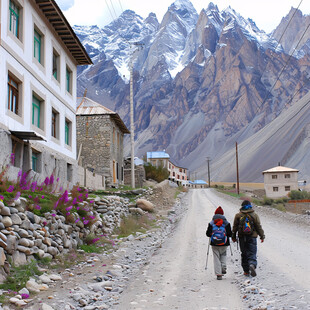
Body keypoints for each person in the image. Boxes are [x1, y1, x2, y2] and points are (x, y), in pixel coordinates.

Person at [232, 200, 265, 277]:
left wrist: (233, 237)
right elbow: (258, 226)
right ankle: (252, 264)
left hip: (242, 237)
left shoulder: (238, 215)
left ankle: (246, 271)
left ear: (242, 206)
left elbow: (234, 227)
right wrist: (262, 236)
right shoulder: (254, 215)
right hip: (252, 237)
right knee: (252, 252)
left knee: (244, 253)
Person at [206, 206, 232, 280]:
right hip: (224, 243)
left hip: (214, 243)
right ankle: (223, 267)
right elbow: (230, 234)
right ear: (223, 214)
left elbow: (208, 234)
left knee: (216, 258)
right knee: (223, 255)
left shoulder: (212, 223)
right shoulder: (226, 223)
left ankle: (219, 274)